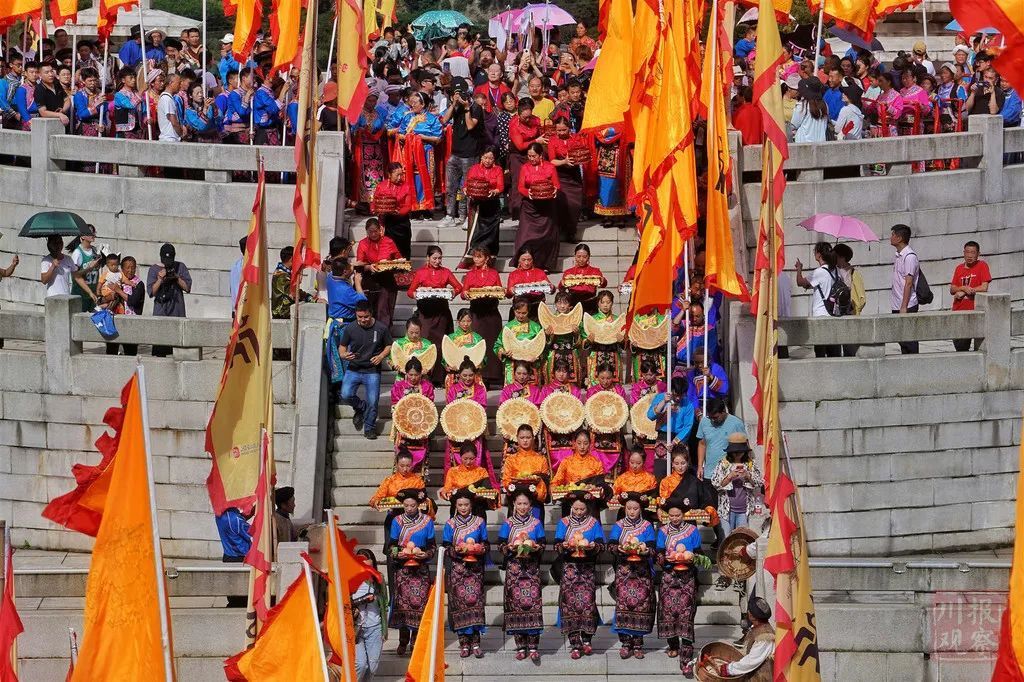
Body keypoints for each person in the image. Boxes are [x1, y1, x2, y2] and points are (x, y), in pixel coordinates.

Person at [554, 491, 606, 659]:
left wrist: (592, 547)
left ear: (587, 508)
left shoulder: (593, 523)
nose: (578, 512)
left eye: (582, 509)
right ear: (571, 507)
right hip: (569, 568)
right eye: (576, 509)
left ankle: (587, 639)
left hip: (587, 568)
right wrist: (564, 546)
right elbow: (556, 545)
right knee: (570, 604)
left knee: (587, 603)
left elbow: (601, 545)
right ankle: (575, 643)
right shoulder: (564, 523)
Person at [498, 486, 546, 662]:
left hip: (531, 570)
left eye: (526, 503)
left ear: (531, 504)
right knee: (515, 605)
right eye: (519, 503)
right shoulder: (508, 523)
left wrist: (535, 547)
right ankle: (520, 645)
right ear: (513, 504)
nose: (523, 507)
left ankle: (533, 646)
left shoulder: (537, 523)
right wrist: (509, 548)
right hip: (514, 570)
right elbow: (500, 545)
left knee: (532, 605)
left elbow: (542, 544)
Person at [657, 498, 704, 676]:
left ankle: (686, 651)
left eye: (678, 515)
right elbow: (659, 554)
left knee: (686, 612)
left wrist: (692, 558)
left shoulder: (692, 530)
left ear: (683, 515)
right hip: (669, 577)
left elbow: (699, 553)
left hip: (687, 578)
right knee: (668, 611)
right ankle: (673, 644)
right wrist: (664, 559)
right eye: (672, 515)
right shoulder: (662, 531)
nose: (675, 518)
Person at [386, 489, 436, 655]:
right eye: (406, 505)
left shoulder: (427, 521)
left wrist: (426, 554)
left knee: (419, 605)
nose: (409, 508)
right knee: (403, 606)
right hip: (403, 570)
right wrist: (397, 553)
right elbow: (391, 546)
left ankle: (416, 641)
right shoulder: (397, 521)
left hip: (420, 570)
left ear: (419, 505)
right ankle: (402, 640)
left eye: (412, 505)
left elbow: (432, 546)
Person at [608, 492, 658, 659]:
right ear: (624, 508)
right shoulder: (619, 525)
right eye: (628, 508)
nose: (631, 511)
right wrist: (620, 549)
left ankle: (638, 643)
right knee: (623, 606)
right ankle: (625, 643)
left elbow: (652, 550)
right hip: (624, 572)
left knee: (641, 607)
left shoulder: (647, 526)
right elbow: (611, 547)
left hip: (642, 574)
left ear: (640, 509)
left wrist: (643, 551)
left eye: (635, 508)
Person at [442, 489, 489, 658]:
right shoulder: (450, 524)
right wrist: (459, 550)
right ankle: (463, 643)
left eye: (466, 504)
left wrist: (479, 549)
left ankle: (476, 643)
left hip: (475, 571)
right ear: (455, 505)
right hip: (458, 570)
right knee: (459, 606)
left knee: (475, 604)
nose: (463, 508)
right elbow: (446, 546)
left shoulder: (479, 522)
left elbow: (486, 544)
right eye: (460, 505)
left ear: (471, 505)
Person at [338, 300, 394, 440]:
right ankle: (361, 407)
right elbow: (342, 347)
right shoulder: (350, 328)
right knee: (345, 395)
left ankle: (369, 427)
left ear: (371, 314)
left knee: (373, 400)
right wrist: (344, 355)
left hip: (372, 370)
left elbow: (389, 345)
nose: (363, 320)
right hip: (354, 368)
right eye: (360, 317)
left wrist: (381, 356)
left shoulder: (381, 328)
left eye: (366, 317)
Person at [407, 246, 462, 383]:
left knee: (440, 345)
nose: (437, 261)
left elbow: (458, 287)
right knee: (425, 343)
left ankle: (439, 377)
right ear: (428, 258)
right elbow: (410, 291)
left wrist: (451, 293)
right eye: (434, 258)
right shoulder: (420, 273)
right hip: (425, 313)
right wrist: (420, 293)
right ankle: (424, 375)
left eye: (439, 258)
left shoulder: (446, 272)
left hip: (441, 312)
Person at [388, 91, 443, 216]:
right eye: (411, 102)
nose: (412, 105)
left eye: (415, 103)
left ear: (422, 104)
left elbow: (438, 138)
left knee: (426, 177)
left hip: (425, 151)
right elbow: (400, 133)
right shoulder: (408, 117)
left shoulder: (431, 118)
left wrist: (422, 137)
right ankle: (413, 206)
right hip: (410, 152)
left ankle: (425, 207)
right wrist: (406, 137)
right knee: (411, 177)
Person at [443, 361, 498, 484]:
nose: (468, 378)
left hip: (474, 429)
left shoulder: (479, 389)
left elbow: (481, 408)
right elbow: (450, 409)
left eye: (470, 375)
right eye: (464, 375)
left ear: (475, 375)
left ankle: (475, 482)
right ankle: (457, 483)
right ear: (459, 375)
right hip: (457, 429)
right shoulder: (453, 389)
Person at [440, 78, 483, 229]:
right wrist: (454, 104)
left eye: (461, 93)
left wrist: (466, 107)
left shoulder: (476, 107)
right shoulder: (455, 107)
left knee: (467, 188)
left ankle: (466, 216)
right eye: (455, 93)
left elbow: (471, 126)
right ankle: (450, 215)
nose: (458, 95)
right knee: (451, 187)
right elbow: (444, 120)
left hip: (470, 154)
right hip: (455, 153)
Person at [460, 246, 504, 386]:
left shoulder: (494, 273)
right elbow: (463, 292)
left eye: (479, 256)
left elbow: (499, 290)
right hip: (477, 313)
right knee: (478, 345)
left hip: (491, 313)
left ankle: (494, 376)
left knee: (492, 344)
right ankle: (479, 376)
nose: (476, 259)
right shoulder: (470, 274)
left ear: (486, 258)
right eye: (475, 256)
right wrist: (465, 293)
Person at [795, 241, 842, 358]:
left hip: (821, 316)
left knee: (820, 352)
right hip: (834, 315)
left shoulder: (819, 272)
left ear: (819, 254)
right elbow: (817, 285)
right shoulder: (836, 271)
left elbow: (800, 282)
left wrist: (799, 269)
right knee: (834, 353)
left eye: (814, 251)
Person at [710, 434, 763, 536]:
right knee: (726, 539)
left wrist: (748, 476)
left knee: (741, 539)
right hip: (726, 510)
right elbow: (716, 484)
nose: (737, 454)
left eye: (740, 452)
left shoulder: (750, 464)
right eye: (734, 452)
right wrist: (729, 476)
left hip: (745, 510)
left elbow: (759, 482)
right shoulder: (723, 464)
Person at [389, 358, 436, 472]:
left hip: (421, 425)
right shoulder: (399, 386)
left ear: (421, 374)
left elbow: (429, 406)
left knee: (422, 452)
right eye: (410, 374)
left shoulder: (427, 386)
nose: (413, 378)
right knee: (402, 452)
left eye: (416, 375)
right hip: (404, 425)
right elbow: (395, 404)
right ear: (406, 373)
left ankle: (420, 480)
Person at [356, 218, 403, 332]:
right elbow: (359, 263)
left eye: (375, 231)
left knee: (385, 309)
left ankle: (384, 335)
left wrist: (391, 264)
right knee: (373, 309)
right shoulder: (363, 243)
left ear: (380, 229)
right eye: (370, 232)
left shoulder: (388, 241)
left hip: (387, 279)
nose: (373, 234)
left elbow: (399, 258)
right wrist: (369, 266)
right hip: (370, 280)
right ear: (366, 231)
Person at [147, 243, 192, 357]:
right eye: (165, 259)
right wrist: (160, 279)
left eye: (170, 258)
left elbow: (187, 288)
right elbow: (151, 292)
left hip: (177, 312)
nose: (168, 261)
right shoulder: (154, 269)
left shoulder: (180, 267)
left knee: (179, 351)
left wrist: (176, 277)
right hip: (161, 311)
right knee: (159, 350)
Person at [716, 597, 775, 679]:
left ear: (752, 616)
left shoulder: (765, 636)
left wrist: (728, 669)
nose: (747, 612)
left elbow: (752, 661)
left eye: (749, 611)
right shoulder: (757, 627)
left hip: (761, 677)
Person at [547, 114, 585, 243]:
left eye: (564, 130)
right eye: (558, 130)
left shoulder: (575, 138)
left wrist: (578, 160)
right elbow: (551, 161)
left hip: (574, 175)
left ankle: (571, 232)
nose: (561, 132)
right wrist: (564, 161)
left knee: (575, 205)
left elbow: (581, 153)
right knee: (563, 204)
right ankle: (561, 231)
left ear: (569, 128)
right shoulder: (553, 140)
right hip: (560, 175)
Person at [585, 365, 629, 475]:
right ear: (597, 377)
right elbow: (589, 411)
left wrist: (617, 424)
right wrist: (594, 426)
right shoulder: (592, 391)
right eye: (602, 378)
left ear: (613, 377)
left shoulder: (618, 390)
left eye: (608, 378)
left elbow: (622, 410)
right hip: (597, 432)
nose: (605, 381)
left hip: (615, 431)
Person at [501, 424, 550, 519]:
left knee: (535, 532)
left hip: (535, 501)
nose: (525, 440)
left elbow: (545, 481)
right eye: (522, 437)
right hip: (516, 501)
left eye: (528, 437)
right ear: (517, 438)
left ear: (533, 438)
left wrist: (535, 489)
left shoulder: (541, 459)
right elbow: (506, 480)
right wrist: (516, 486)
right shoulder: (511, 459)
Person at [950, 240, 992, 352]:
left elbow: (984, 287)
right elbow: (952, 288)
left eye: (973, 252)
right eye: (967, 252)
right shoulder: (959, 268)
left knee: (980, 347)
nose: (969, 255)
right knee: (960, 346)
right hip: (959, 310)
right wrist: (963, 288)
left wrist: (965, 292)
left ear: (978, 254)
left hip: (975, 311)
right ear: (963, 252)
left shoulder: (982, 265)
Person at [508, 98, 545, 218]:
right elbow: (520, 146)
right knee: (519, 182)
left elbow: (541, 133)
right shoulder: (514, 125)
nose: (528, 119)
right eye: (525, 118)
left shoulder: (536, 120)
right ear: (519, 114)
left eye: (529, 116)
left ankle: (536, 208)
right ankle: (518, 212)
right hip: (518, 156)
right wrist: (536, 140)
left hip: (533, 155)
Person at [352, 549, 386, 681]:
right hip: (356, 628)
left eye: (370, 567)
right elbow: (345, 603)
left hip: (375, 627)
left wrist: (384, 629)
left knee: (373, 667)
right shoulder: (350, 579)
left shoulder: (379, 578)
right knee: (360, 665)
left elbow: (384, 602)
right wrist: (364, 600)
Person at [494, 296, 545, 384]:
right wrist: (503, 352)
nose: (521, 316)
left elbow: (542, 345)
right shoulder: (508, 327)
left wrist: (538, 356)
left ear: (528, 311)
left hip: (531, 364)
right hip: (513, 363)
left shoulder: (536, 327)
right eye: (518, 312)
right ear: (514, 310)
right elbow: (498, 345)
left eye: (524, 313)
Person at [696, 398, 747, 481]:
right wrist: (700, 466)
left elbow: (744, 447)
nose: (712, 420)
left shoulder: (736, 423)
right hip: (709, 474)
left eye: (715, 417)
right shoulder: (704, 422)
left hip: (729, 474)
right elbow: (702, 444)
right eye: (710, 417)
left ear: (723, 411)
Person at [890, 224, 921, 354]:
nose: (890, 237)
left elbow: (908, 283)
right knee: (901, 339)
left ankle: (914, 367)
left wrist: (904, 307)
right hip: (897, 304)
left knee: (910, 340)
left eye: (892, 235)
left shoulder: (909, 256)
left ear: (900, 238)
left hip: (907, 305)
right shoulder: (899, 255)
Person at [542, 292, 584, 385]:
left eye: (565, 303)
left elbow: (579, 344)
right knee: (553, 383)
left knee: (571, 382)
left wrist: (576, 333)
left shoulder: (576, 320)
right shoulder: (549, 320)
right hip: (554, 354)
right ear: (555, 304)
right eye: (559, 303)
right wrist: (548, 335)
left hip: (571, 353)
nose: (562, 306)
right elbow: (544, 344)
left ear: (570, 305)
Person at [40, 235, 98, 300]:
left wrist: (90, 292)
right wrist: (52, 267)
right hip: (52, 298)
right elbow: (44, 280)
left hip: (66, 297)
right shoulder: (46, 260)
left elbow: (77, 277)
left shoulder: (68, 259)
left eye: (60, 242)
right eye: (55, 243)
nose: (58, 245)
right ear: (50, 245)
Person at [505, 249, 554, 321]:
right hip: (520, 309)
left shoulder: (540, 272)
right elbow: (508, 295)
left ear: (533, 260)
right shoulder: (514, 274)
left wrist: (551, 287)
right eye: (523, 260)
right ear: (518, 260)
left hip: (537, 308)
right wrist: (511, 291)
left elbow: (550, 290)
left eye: (529, 260)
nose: (526, 263)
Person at [559, 243, 607, 314]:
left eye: (584, 257)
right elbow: (561, 289)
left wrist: (603, 280)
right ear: (575, 256)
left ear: (588, 257)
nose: (581, 259)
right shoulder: (568, 272)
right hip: (573, 303)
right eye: (578, 256)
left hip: (590, 303)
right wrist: (562, 283)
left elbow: (603, 285)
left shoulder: (595, 271)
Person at [648, 376, 696, 447]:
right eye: (675, 395)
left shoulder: (688, 404)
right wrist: (664, 402)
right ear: (671, 390)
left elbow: (688, 426)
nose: (678, 398)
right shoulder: (660, 397)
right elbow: (650, 416)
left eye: (681, 395)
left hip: (680, 438)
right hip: (663, 435)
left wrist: (674, 442)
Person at [66, 227, 101, 311]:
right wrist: (90, 268)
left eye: (94, 232)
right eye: (90, 233)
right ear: (82, 237)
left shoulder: (94, 250)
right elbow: (75, 275)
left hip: (93, 294)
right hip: (81, 294)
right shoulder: (77, 253)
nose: (93, 235)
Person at [792, 78, 828, 143]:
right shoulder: (825, 105)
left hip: (803, 144)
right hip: (821, 144)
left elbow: (794, 124)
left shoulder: (802, 105)